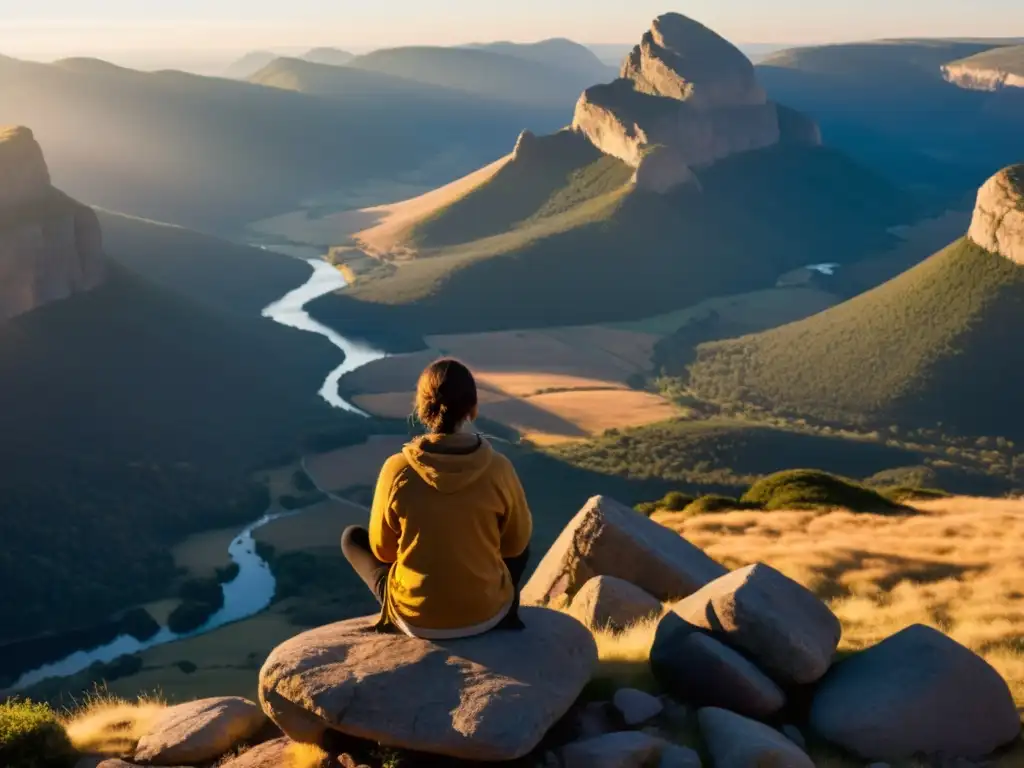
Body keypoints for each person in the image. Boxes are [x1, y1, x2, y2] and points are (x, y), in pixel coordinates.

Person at [341, 358, 533, 638]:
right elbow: (515, 545)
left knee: (352, 538)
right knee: (521, 533)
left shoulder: (397, 469)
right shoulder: (498, 468)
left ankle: (408, 609)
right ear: (473, 407)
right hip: (486, 615)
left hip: (414, 619)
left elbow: (383, 552)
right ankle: (506, 613)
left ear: (422, 406)